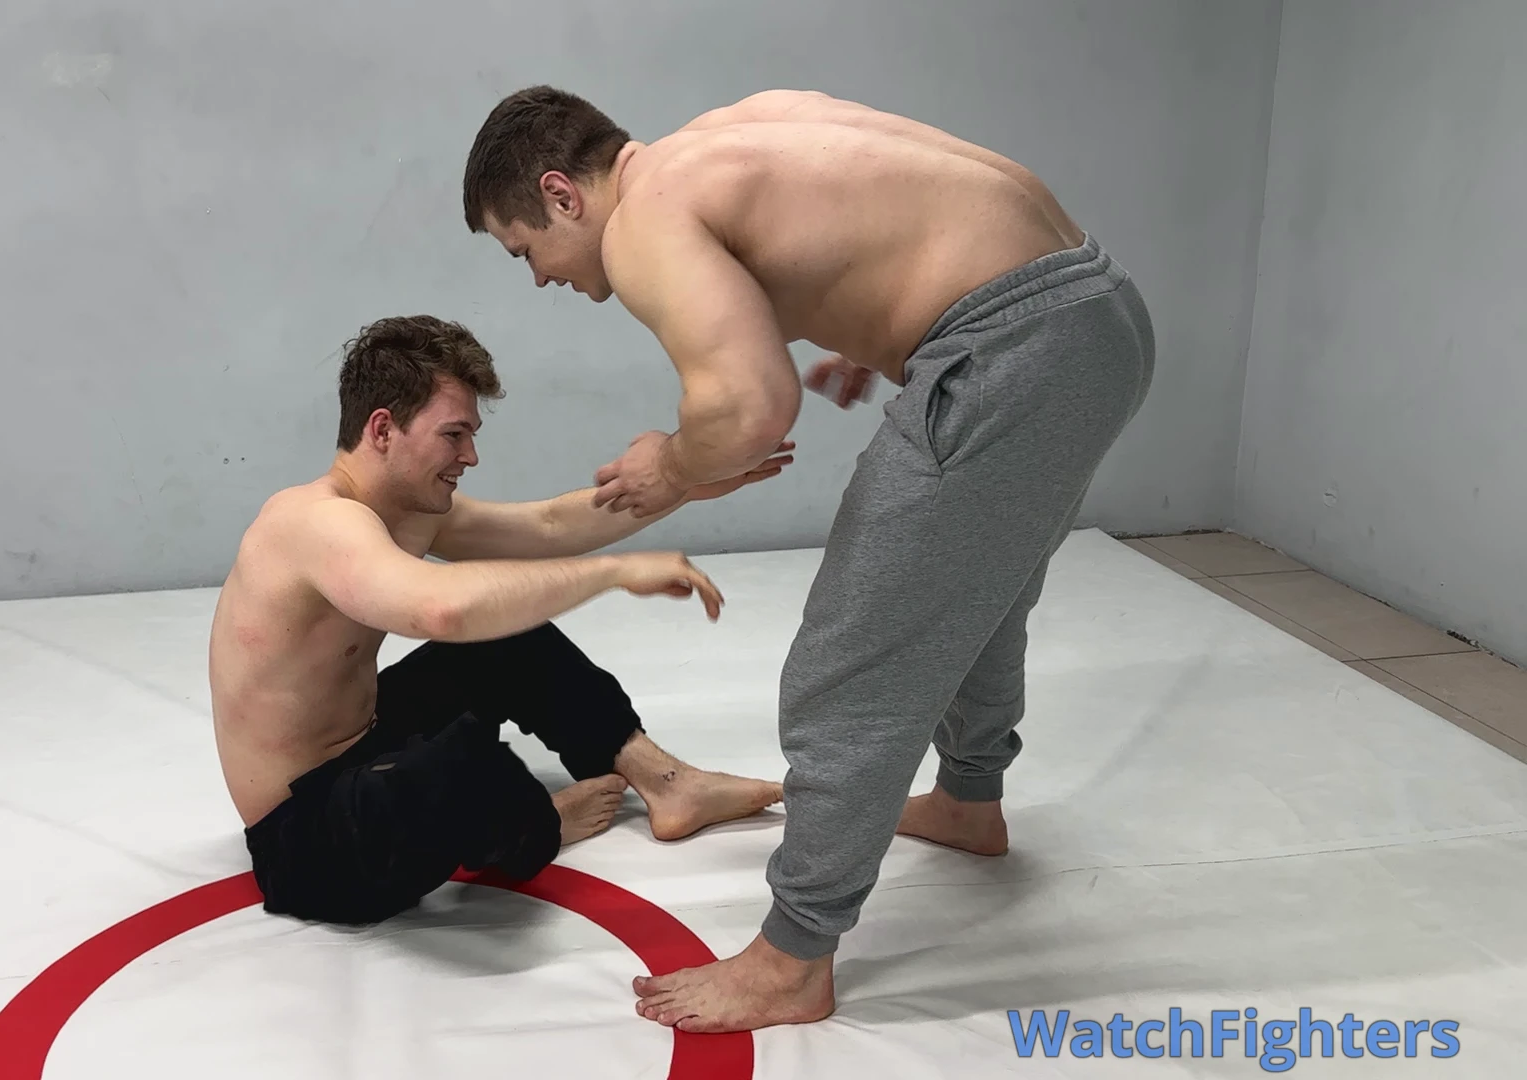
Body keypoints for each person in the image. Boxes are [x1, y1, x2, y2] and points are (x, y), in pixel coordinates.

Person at [463, 87, 1155, 1031]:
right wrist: (884, 322)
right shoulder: (723, 137)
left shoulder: (641, 224)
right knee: (978, 593)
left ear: (561, 193)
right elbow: (888, 209)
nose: (539, 277)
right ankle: (968, 802)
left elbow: (750, 408)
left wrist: (672, 467)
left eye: (524, 250)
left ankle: (793, 960)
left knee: (847, 663)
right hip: (1090, 308)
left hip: (1013, 348)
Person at [208, 314, 792, 928]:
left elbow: (547, 526)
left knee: (507, 638)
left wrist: (678, 483)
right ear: (382, 429)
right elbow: (441, 607)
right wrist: (614, 573)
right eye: (453, 435)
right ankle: (543, 823)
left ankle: (668, 783)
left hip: (363, 744)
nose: (471, 456)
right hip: (303, 838)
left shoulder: (405, 510)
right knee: (463, 767)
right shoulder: (313, 522)